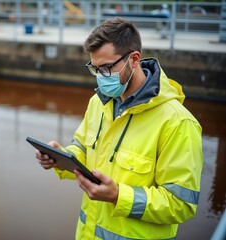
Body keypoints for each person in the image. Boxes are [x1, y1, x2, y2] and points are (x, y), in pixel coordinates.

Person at [35, 18, 203, 240]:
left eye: (105, 68)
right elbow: (84, 149)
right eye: (94, 69)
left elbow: (181, 204)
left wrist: (118, 196)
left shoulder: (178, 123)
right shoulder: (98, 102)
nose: (100, 77)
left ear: (134, 59)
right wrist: (62, 157)